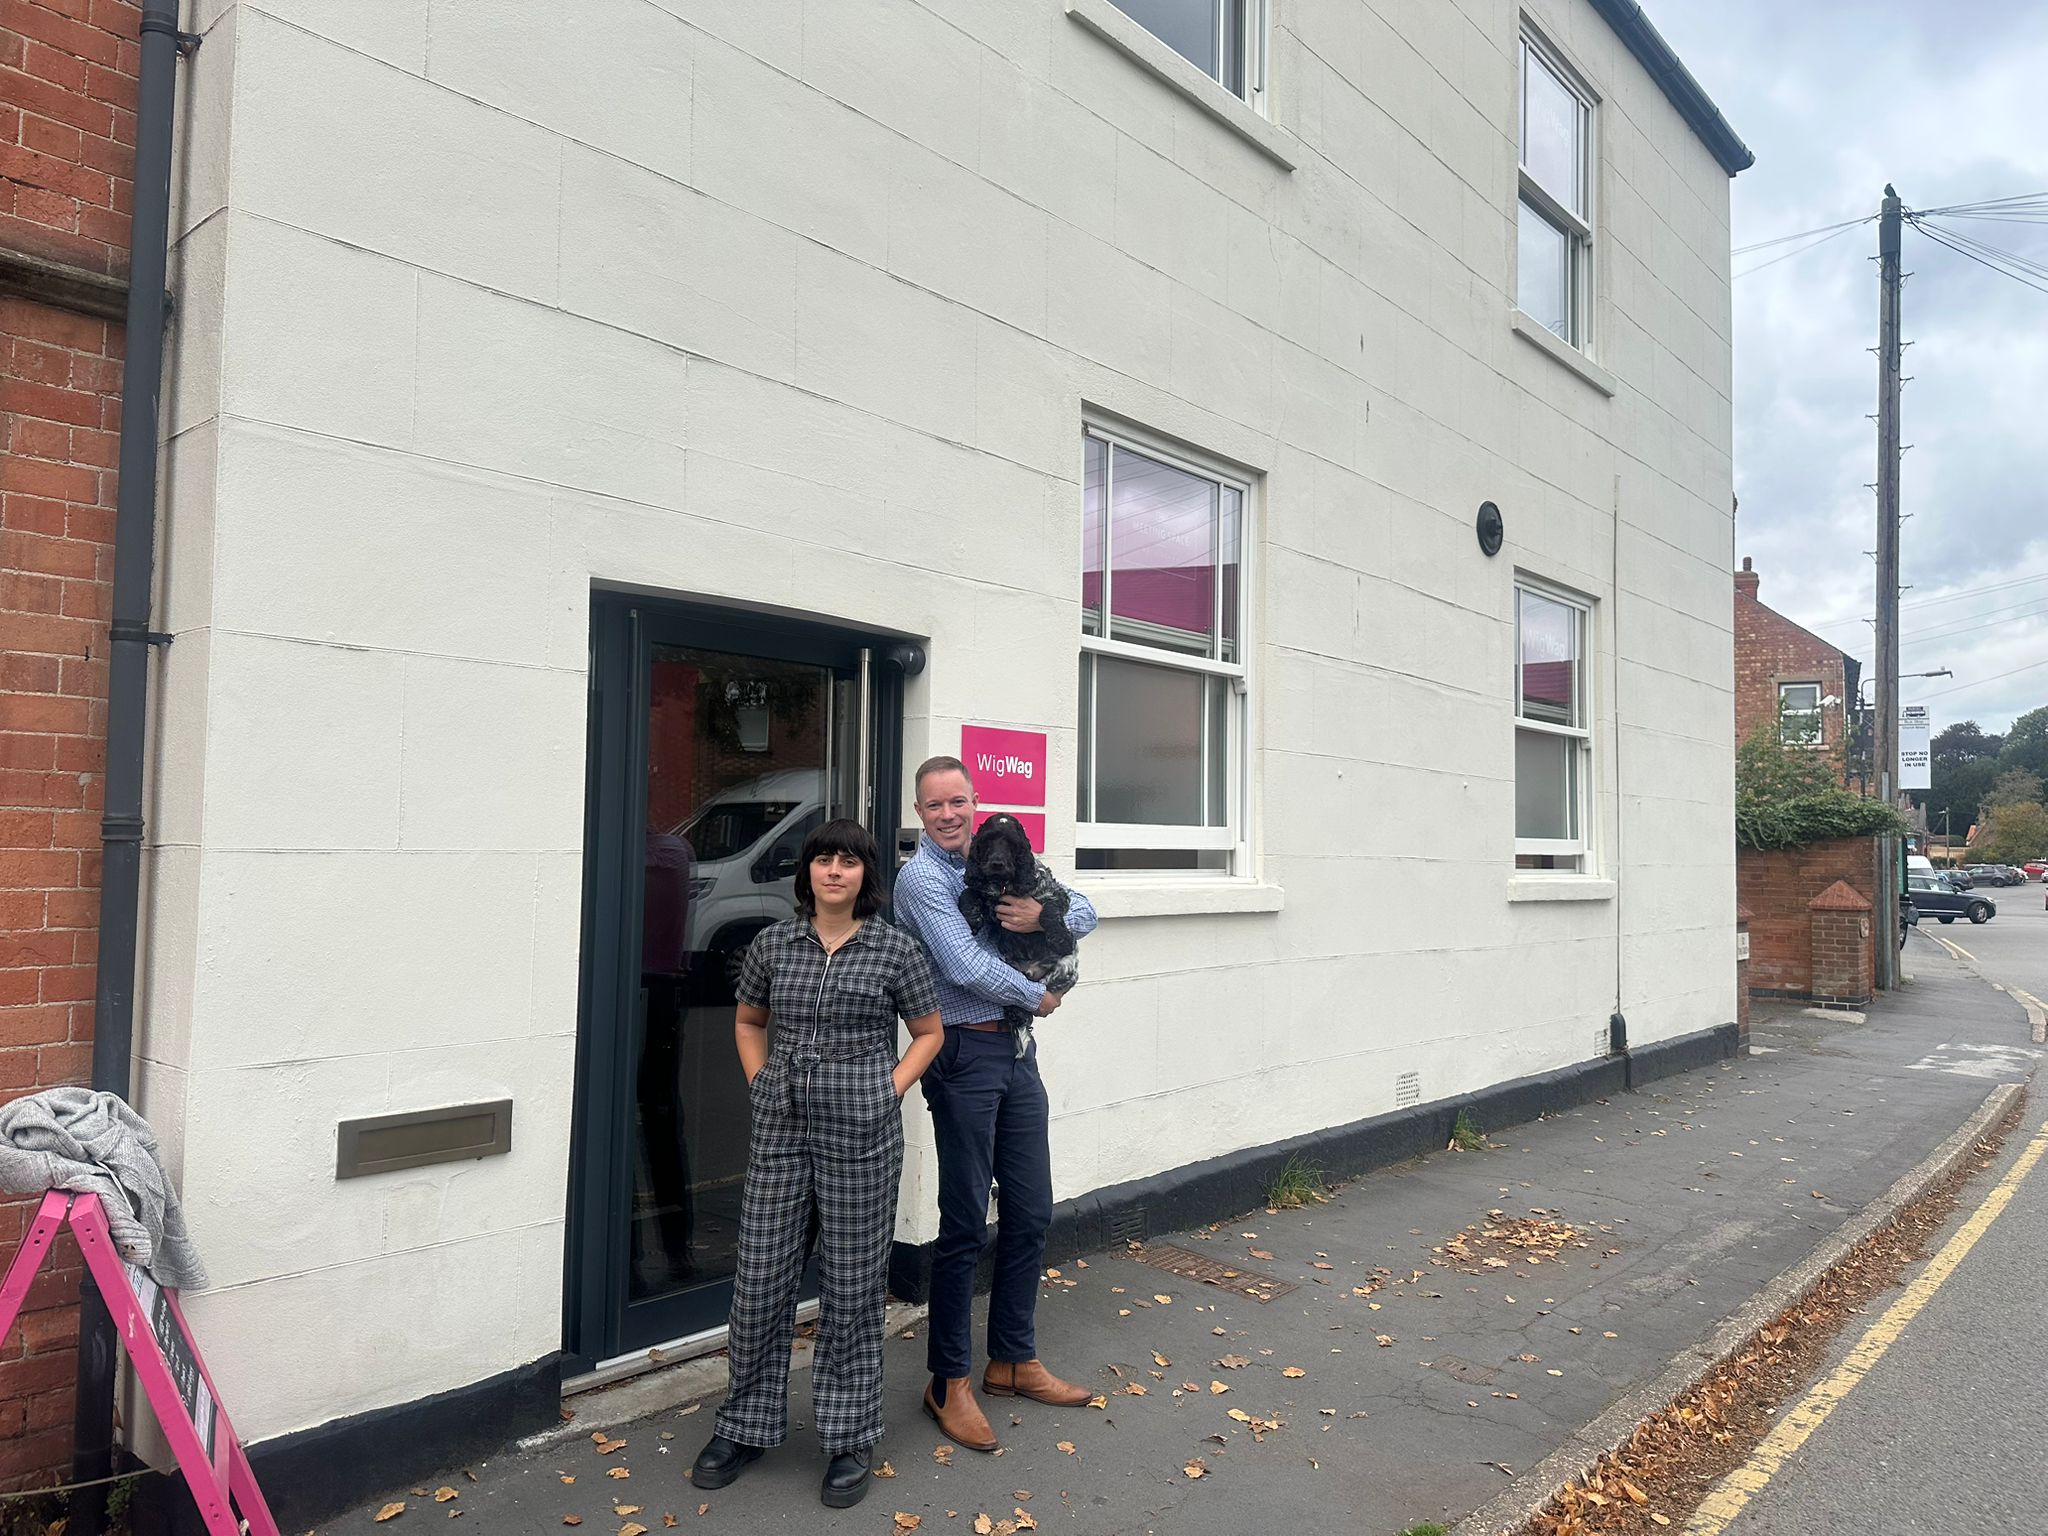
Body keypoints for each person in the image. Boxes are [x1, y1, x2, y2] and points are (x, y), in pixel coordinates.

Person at [691, 818, 943, 1510]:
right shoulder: (773, 943)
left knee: (854, 1287)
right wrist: (761, 1082)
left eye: (849, 861)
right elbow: (748, 1021)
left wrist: (885, 1088)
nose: (835, 871)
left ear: (866, 875)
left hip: (862, 1133)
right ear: (807, 874)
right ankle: (744, 1424)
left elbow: (929, 1033)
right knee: (761, 1280)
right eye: (824, 860)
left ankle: (849, 1435)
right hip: (782, 1130)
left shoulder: (895, 949)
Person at [892, 756, 1099, 1453]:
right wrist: (1039, 995)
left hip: (1013, 1051)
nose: (948, 815)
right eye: (934, 806)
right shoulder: (922, 880)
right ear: (919, 813)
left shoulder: (1002, 863)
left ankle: (1012, 1360)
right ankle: (947, 1382)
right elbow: (962, 965)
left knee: (1032, 1209)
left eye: (958, 802)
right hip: (962, 1054)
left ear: (975, 802)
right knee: (960, 1223)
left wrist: (1047, 913)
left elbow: (1089, 912)